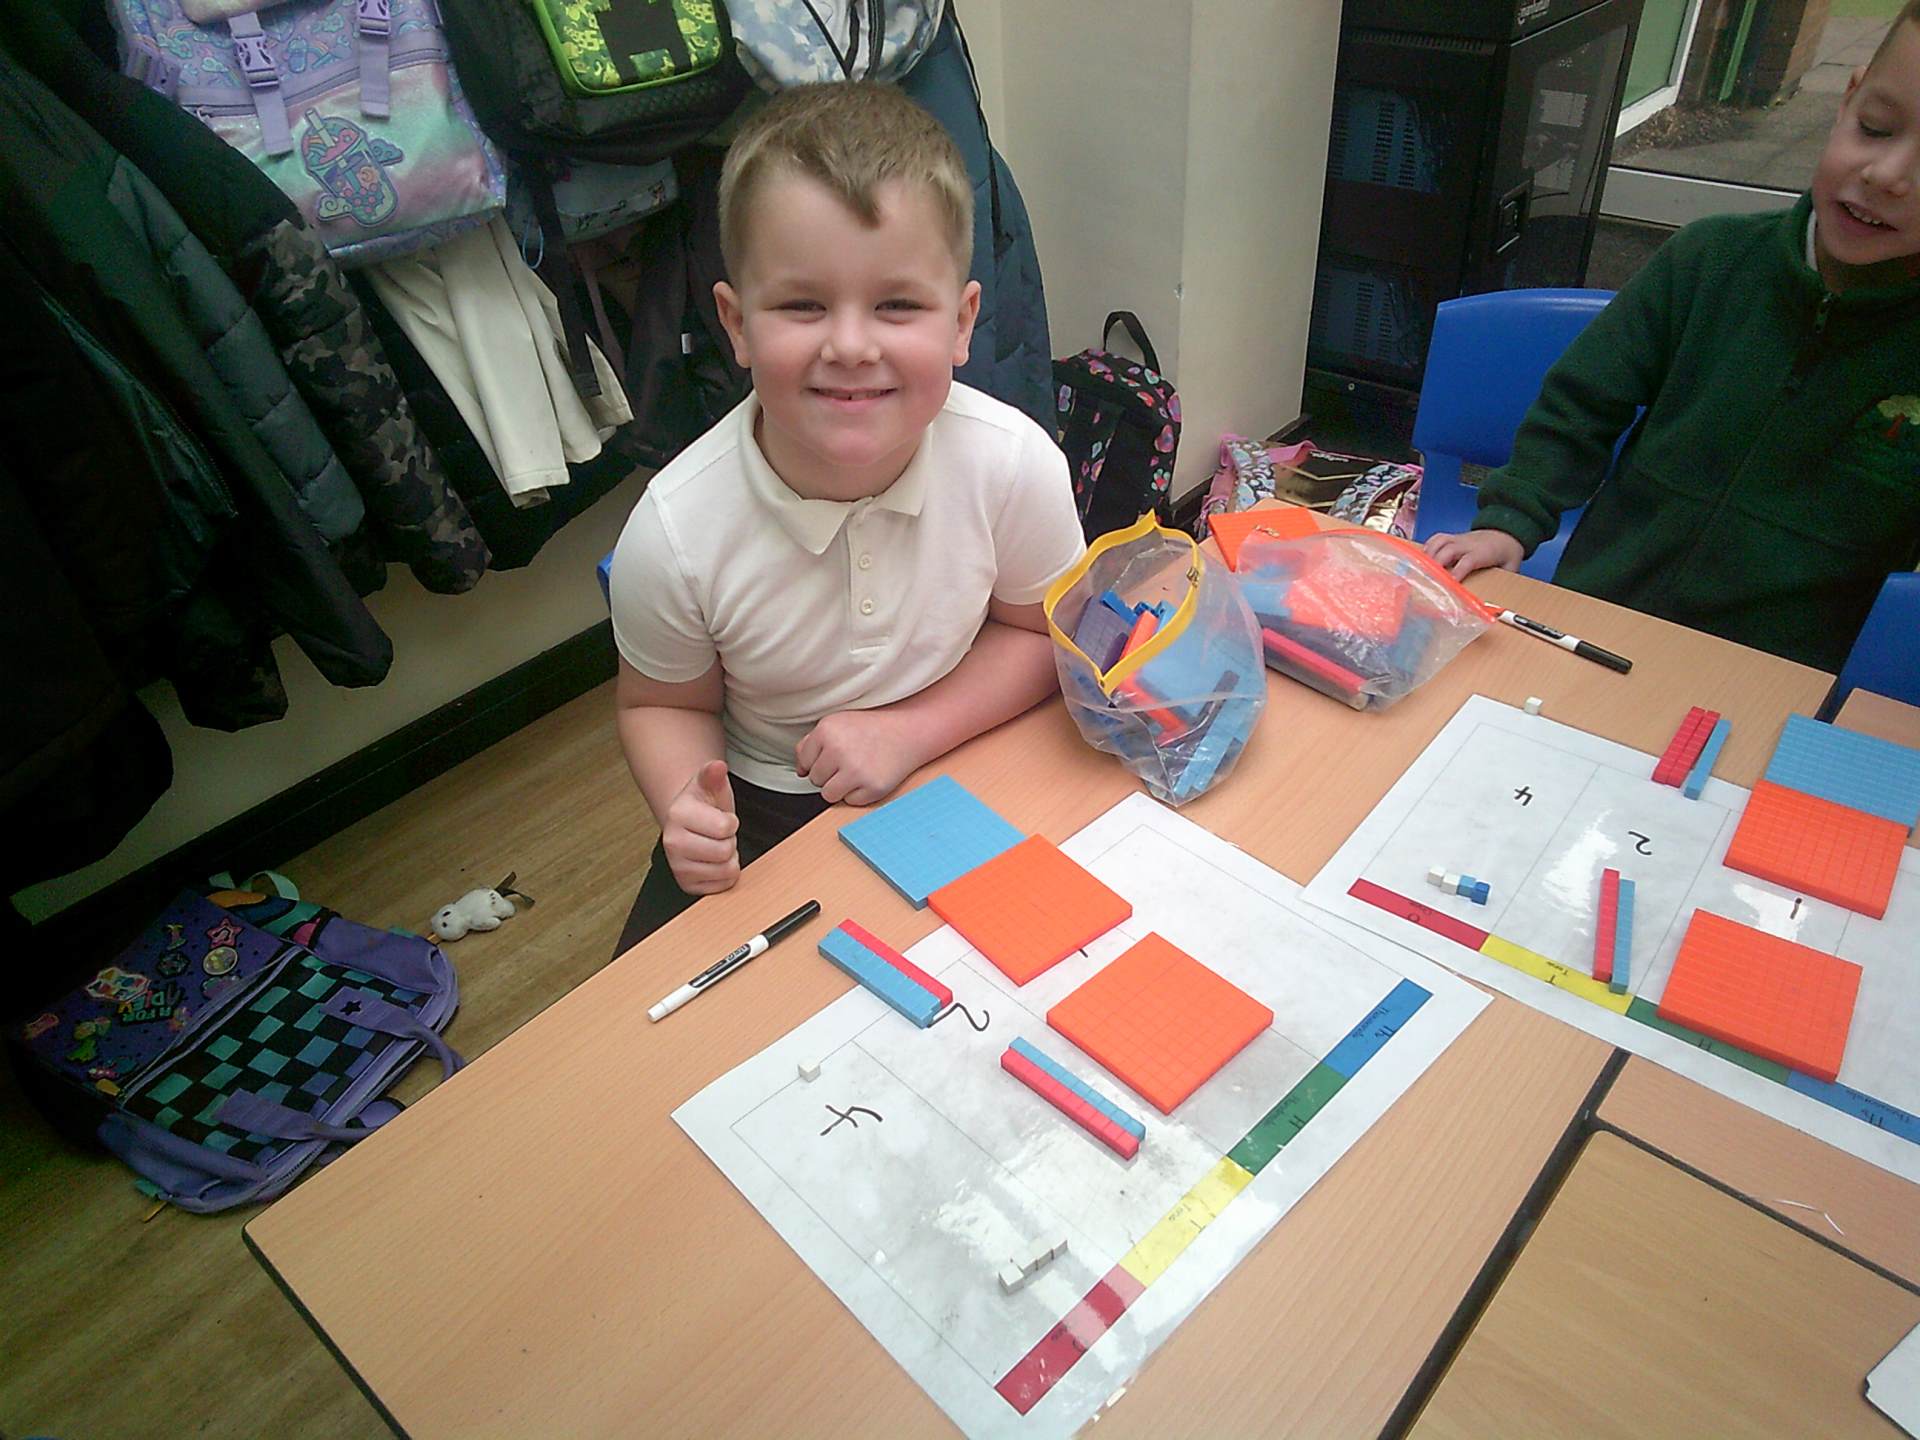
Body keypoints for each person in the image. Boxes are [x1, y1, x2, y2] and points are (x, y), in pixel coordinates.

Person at [605, 82, 1085, 958]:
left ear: (962, 323)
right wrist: (684, 804)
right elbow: (659, 702)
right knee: (653, 1016)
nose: (852, 346)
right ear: (736, 323)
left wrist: (910, 731)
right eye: (803, 305)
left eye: (897, 305)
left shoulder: (1014, 465)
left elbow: (1042, 634)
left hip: (965, 747)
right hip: (769, 801)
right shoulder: (673, 532)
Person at [1424, 2, 1920, 672]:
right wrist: (1510, 520)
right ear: (1848, 100)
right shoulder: (1710, 259)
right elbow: (1580, 404)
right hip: (1601, 611)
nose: (1887, 175)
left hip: (1780, 669)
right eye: (1875, 128)